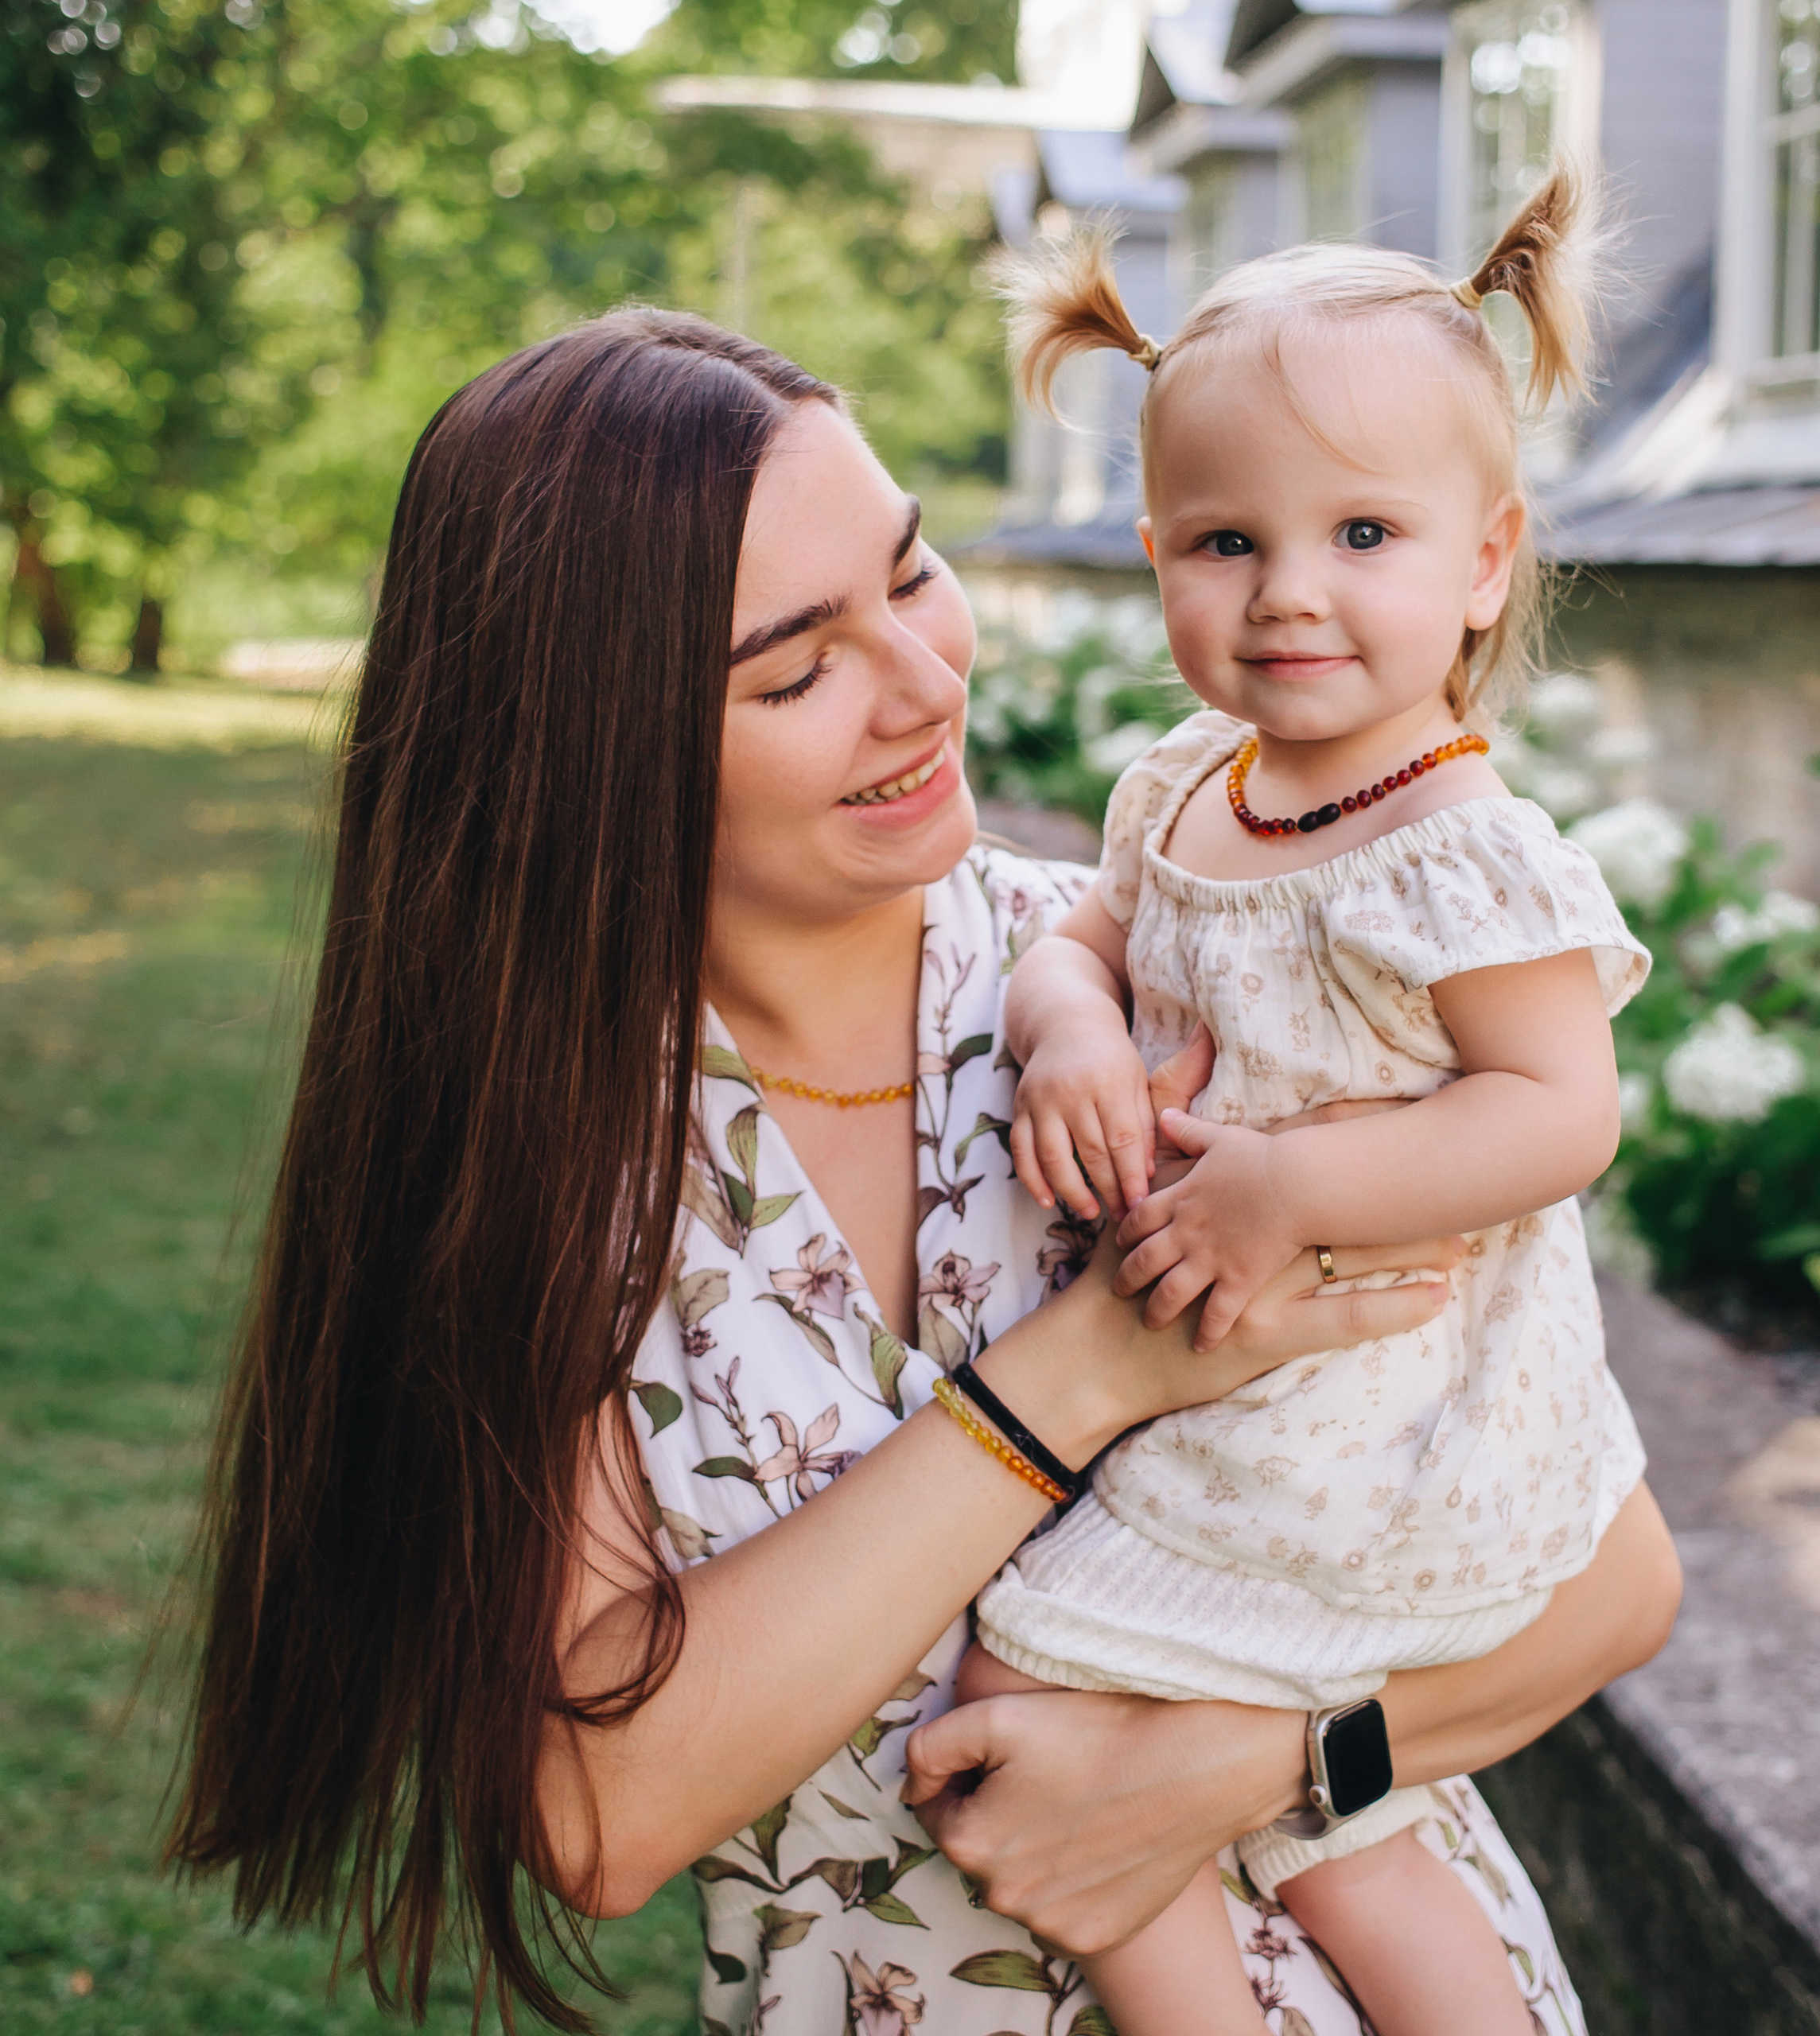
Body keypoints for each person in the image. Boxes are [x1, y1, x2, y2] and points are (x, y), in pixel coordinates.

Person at [165, 305, 1682, 2036]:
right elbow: (598, 1809)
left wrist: (1256, 1761)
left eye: (911, 573)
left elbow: (1613, 1571)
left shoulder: (1176, 968)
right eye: (795, 668)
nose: (922, 680)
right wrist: (1089, 1365)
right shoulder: (547, 1166)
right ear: (594, 750)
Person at [960, 165, 1650, 2036]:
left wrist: (1285, 1186)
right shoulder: (1193, 779)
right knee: (1309, 1824)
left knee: (1028, 1709)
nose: (1288, 597)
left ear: (1485, 558)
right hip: (1245, 1398)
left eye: (1361, 532)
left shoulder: (1456, 847)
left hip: (1370, 1425)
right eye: (1223, 542)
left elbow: (1555, 1112)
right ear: (1153, 549)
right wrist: (1072, 1035)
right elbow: (1080, 942)